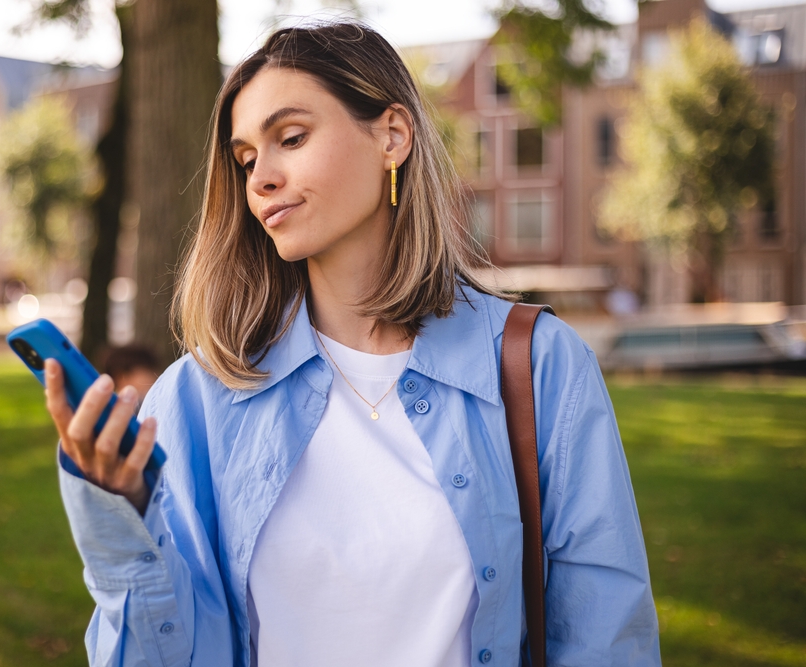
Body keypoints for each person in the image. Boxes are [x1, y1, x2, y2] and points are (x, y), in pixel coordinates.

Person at [43, 22, 660, 667]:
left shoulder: (539, 366)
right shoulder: (199, 396)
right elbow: (157, 652)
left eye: (291, 138)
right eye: (247, 159)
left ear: (392, 136)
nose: (261, 179)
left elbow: (607, 637)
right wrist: (122, 510)